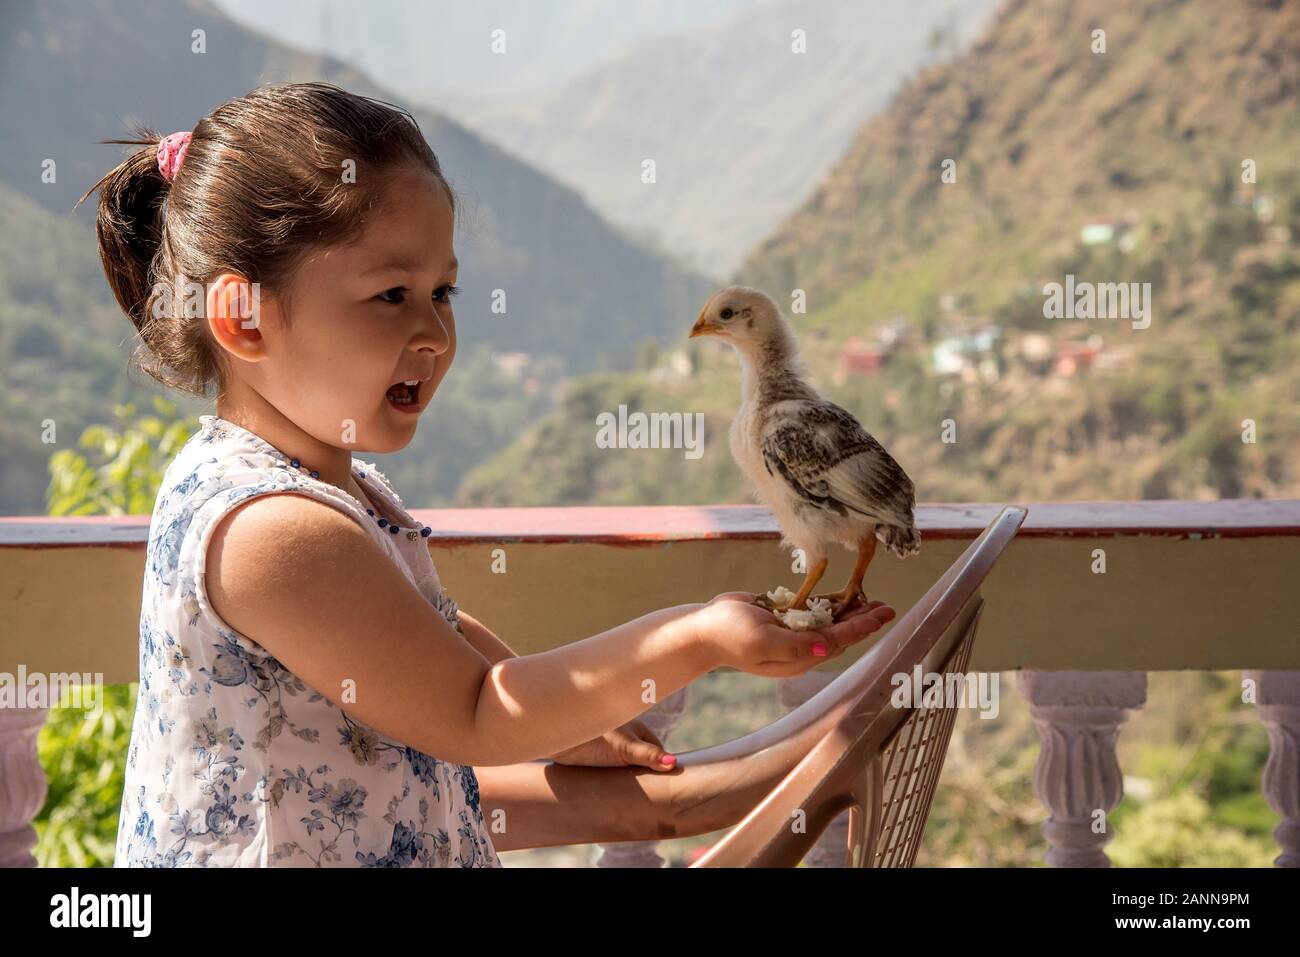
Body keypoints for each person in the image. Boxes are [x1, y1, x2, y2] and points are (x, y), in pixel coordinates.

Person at [79, 82, 895, 867]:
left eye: (443, 289)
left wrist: (574, 728)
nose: (434, 329)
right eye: (392, 293)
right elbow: (473, 707)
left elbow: (423, 636)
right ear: (245, 319)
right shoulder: (272, 531)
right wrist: (699, 636)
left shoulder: (327, 492)